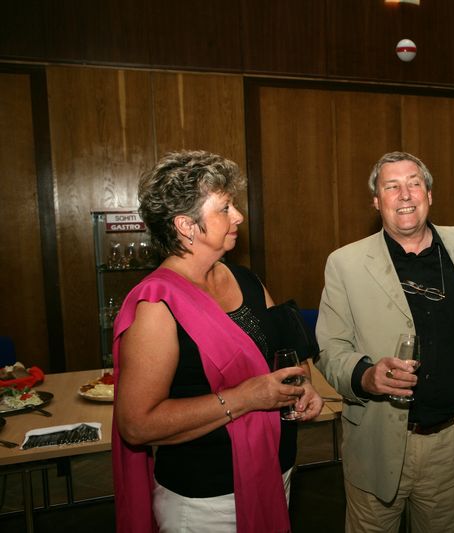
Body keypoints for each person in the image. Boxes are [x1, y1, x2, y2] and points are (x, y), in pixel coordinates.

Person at [112, 150, 323, 533]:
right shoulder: (157, 306)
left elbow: (287, 353)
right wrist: (245, 398)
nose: (238, 216)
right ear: (186, 225)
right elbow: (137, 425)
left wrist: (302, 384)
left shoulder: (247, 280)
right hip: (206, 500)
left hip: (275, 472)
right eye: (225, 208)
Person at [316, 151, 454, 533]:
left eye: (414, 183)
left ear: (429, 194)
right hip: (375, 442)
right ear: (377, 202)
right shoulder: (345, 264)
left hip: (449, 442)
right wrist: (366, 376)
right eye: (391, 187)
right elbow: (331, 348)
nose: (405, 194)